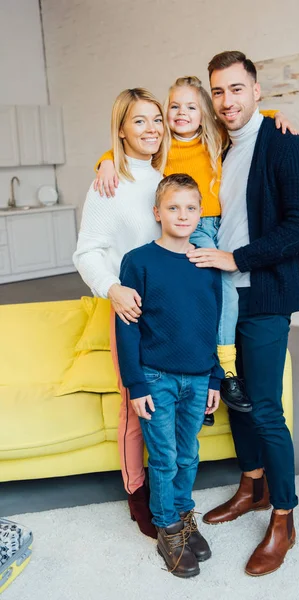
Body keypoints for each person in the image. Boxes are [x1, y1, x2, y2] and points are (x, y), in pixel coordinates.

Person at [187, 51, 299, 577]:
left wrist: (236, 258)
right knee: (238, 402)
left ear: (257, 91)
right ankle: (253, 487)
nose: (227, 101)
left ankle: (284, 518)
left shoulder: (285, 144)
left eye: (236, 90)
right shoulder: (218, 146)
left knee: (265, 406)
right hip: (223, 298)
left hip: (264, 294)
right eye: (218, 92)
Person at [94, 77, 297, 420]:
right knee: (187, 296)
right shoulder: (163, 147)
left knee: (222, 290)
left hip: (209, 224)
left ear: (204, 114)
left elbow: (245, 119)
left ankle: (224, 372)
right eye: (174, 106)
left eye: (191, 107)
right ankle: (192, 381)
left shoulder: (215, 138)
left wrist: (278, 115)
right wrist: (105, 161)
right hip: (179, 224)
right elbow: (130, 148)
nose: (181, 113)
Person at [73, 87, 170, 539]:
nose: (152, 129)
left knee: (172, 401)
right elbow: (87, 251)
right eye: (139, 121)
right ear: (122, 130)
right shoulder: (108, 184)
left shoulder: (165, 177)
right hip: (130, 312)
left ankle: (171, 482)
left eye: (157, 119)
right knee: (136, 407)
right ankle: (137, 491)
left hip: (172, 315)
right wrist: (112, 289)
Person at [115, 173, 223, 578]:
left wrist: (214, 377)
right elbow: (128, 326)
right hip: (156, 378)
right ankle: (167, 528)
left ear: (200, 214)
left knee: (189, 453)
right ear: (157, 212)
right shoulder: (139, 261)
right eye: (173, 207)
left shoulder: (205, 264)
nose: (182, 215)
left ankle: (182, 514)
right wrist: (136, 384)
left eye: (191, 208)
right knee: (164, 457)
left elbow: (209, 325)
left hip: (197, 379)